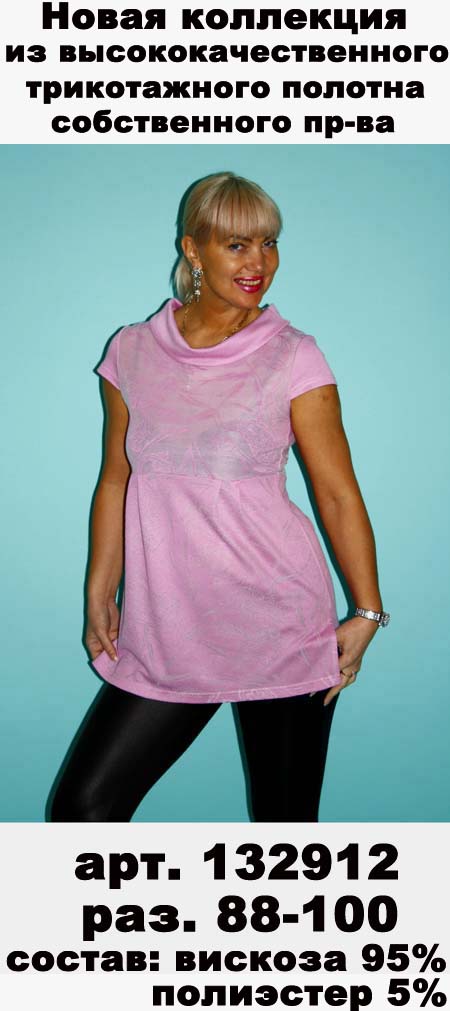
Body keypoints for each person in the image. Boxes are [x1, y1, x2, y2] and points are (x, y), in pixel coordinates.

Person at [48, 171, 388, 823]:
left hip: (279, 622)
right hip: (167, 629)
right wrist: (100, 590)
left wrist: (367, 611)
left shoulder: (293, 355)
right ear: (193, 249)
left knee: (284, 827)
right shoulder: (132, 350)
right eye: (236, 244)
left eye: (269, 242)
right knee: (83, 809)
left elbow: (337, 492)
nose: (259, 262)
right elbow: (116, 475)